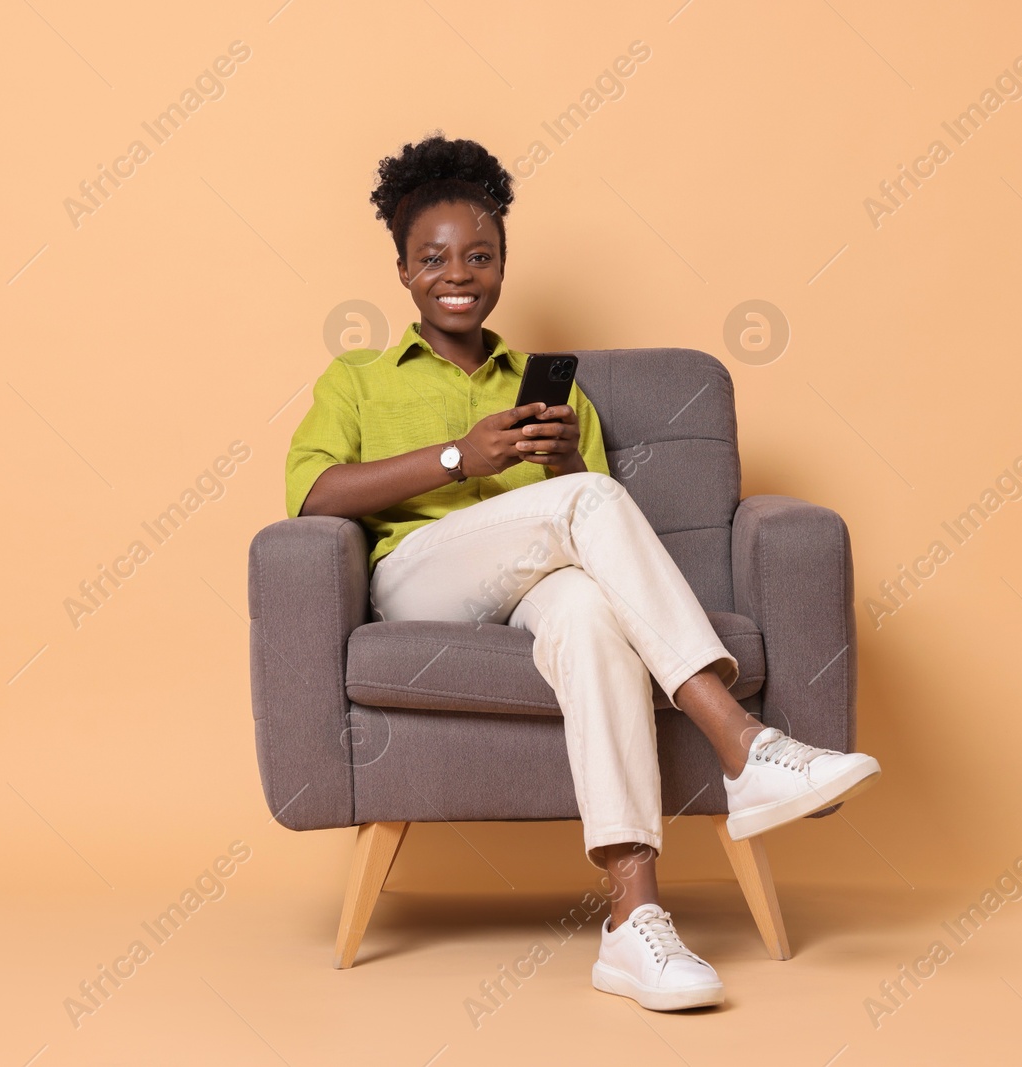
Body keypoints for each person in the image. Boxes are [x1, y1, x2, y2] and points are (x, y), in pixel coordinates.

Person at [284, 133, 881, 1011]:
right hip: (417, 580)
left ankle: (632, 921)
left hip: (533, 589)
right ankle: (742, 742)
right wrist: (460, 456)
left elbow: (591, 517)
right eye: (435, 258)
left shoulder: (544, 385)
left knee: (592, 614)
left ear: (502, 267)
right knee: (588, 504)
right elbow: (314, 495)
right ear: (404, 272)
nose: (460, 273)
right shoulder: (357, 378)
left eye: (480, 256)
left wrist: (561, 462)